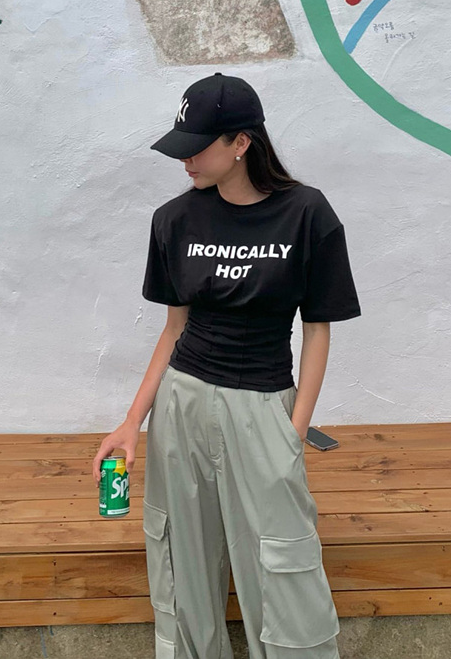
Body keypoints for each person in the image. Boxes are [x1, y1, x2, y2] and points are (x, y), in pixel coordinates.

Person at [92, 72, 362, 658]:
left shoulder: (307, 214)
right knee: (182, 566)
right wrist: (131, 423)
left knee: (284, 568)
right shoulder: (174, 219)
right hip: (182, 405)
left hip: (262, 405)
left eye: (198, 146)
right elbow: (174, 330)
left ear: (241, 143)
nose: (184, 159)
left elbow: (318, 329)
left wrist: (293, 432)